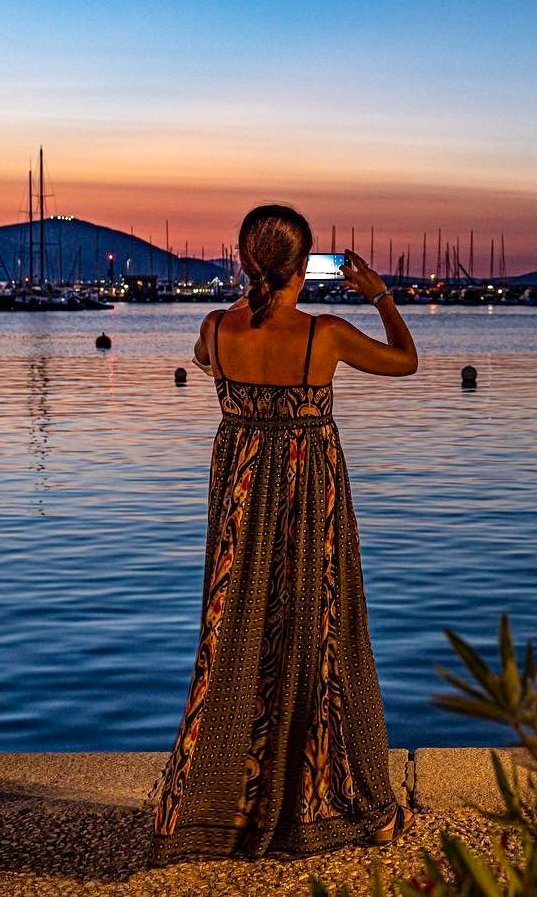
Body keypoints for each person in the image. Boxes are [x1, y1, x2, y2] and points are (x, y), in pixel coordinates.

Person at [148, 204, 418, 865]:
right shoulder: (323, 335)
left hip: (241, 498)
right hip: (309, 495)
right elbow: (405, 361)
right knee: (320, 632)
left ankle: (221, 809)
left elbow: (202, 360)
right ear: (305, 265)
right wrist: (379, 294)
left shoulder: (215, 327)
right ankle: (348, 802)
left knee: (237, 635)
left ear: (246, 261)